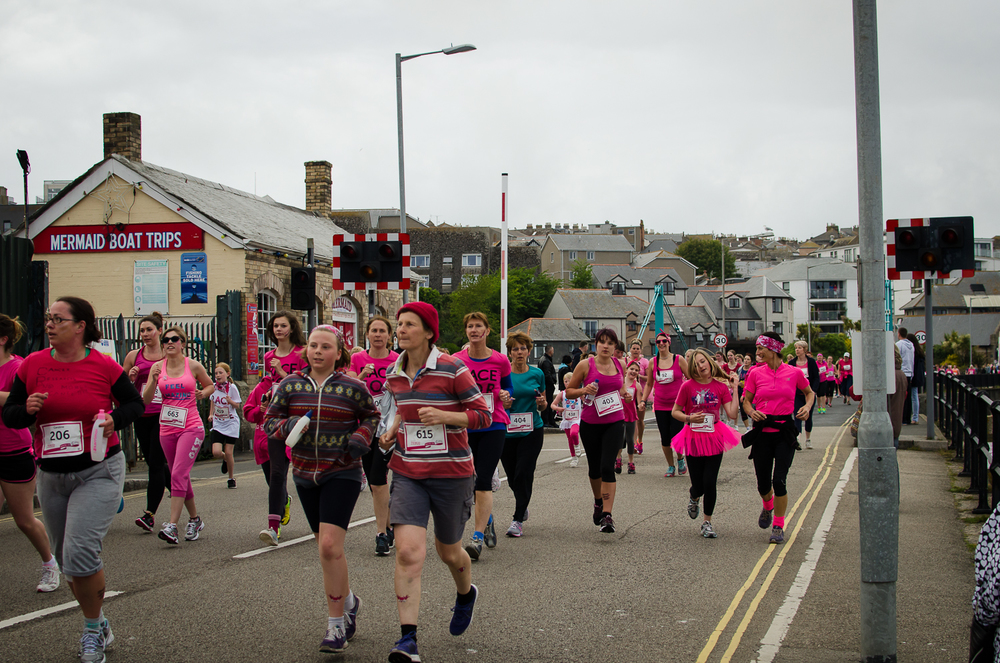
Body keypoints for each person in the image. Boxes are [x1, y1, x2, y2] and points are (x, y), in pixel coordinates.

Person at [2, 297, 144, 663]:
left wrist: (115, 419)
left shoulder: (103, 366)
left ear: (80, 326)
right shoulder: (32, 365)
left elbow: (134, 406)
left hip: (99, 468)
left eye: (58, 319)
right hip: (51, 473)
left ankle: (92, 630)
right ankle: (100, 621)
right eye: (48, 318)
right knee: (68, 561)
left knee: (80, 553)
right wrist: (26, 409)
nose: (50, 324)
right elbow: (12, 414)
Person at [378, 302, 491, 662]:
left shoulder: (452, 368)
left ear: (428, 332)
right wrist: (392, 432)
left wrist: (444, 415)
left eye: (410, 324)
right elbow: (402, 409)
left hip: (451, 474)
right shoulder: (394, 373)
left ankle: (464, 593)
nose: (401, 329)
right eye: (399, 324)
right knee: (408, 552)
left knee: (448, 552)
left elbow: (483, 415)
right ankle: (407, 640)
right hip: (409, 472)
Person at [265, 325, 379, 653]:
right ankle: (350, 600)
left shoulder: (353, 387)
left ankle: (335, 625)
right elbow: (269, 420)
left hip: (341, 471)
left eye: (325, 347)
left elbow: (371, 417)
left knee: (329, 546)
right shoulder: (290, 385)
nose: (317, 351)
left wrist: (360, 438)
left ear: (339, 352)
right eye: (313, 345)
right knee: (326, 550)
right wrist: (287, 426)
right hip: (304, 475)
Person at [0, 313, 59, 592]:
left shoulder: (18, 367)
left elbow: (28, 400)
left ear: (3, 340)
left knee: (23, 519)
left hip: (13, 451)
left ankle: (50, 564)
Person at [143, 326, 214, 545]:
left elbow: (210, 385)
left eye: (174, 339)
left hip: (191, 427)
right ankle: (195, 519)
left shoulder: (192, 365)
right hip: (167, 427)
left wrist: (203, 393)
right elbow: (145, 401)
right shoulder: (157, 367)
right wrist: (153, 381)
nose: (169, 343)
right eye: (166, 340)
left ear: (183, 343)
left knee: (178, 473)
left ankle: (172, 525)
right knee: (178, 474)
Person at [742, 332, 814, 545]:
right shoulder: (755, 373)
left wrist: (807, 407)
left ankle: (779, 525)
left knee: (779, 481)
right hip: (762, 432)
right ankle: (767, 506)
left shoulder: (794, 373)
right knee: (763, 484)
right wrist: (751, 411)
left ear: (773, 349)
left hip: (784, 432)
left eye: (760, 348)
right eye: (756, 349)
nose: (757, 353)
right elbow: (746, 400)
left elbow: (809, 393)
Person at [453, 312, 511, 558]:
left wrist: (507, 397)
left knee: (484, 479)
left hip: (494, 423)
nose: (474, 330)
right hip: (465, 425)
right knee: (467, 481)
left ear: (487, 331)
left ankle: (476, 539)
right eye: (470, 326)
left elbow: (507, 387)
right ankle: (486, 520)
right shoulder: (456, 360)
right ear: (466, 331)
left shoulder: (500, 360)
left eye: (479, 326)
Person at [670, 348, 742, 538]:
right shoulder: (687, 387)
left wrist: (734, 389)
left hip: (714, 436)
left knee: (710, 482)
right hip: (693, 437)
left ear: (709, 363)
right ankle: (694, 497)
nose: (701, 366)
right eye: (696, 364)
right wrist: (689, 418)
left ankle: (707, 522)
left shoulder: (720, 387)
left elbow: (732, 414)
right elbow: (675, 411)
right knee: (698, 485)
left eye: (703, 362)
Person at [565, 327, 629, 534]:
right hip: (591, 423)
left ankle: (607, 515)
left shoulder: (620, 364)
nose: (606, 346)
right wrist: (584, 390)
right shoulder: (585, 365)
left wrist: (626, 395)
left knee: (607, 466)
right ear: (596, 344)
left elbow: (620, 389)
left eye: (611, 343)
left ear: (615, 347)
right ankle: (598, 501)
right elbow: (569, 392)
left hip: (615, 422)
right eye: (602, 342)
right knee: (594, 469)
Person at [348, 315, 400, 556]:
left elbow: (408, 389)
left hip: (391, 427)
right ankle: (388, 527)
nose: (378, 335)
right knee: (374, 481)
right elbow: (347, 388)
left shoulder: (398, 359)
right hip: (366, 427)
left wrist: (394, 386)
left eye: (382, 331)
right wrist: (361, 377)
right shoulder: (358, 359)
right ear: (367, 334)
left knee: (380, 478)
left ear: (390, 336)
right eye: (374, 331)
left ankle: (380, 533)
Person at [260, 311, 308, 544]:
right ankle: (273, 526)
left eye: (283, 325)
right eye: (275, 326)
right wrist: (267, 395)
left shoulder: (302, 354)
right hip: (277, 418)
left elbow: (303, 384)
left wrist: (281, 371)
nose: (279, 329)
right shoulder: (269, 355)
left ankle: (322, 521)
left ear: (292, 328)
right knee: (277, 472)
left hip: (300, 420)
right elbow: (270, 384)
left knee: (307, 472)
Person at [122, 311, 172, 533]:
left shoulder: (169, 354)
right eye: (142, 330)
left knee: (154, 462)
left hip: (164, 415)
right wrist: (130, 378)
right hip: (142, 414)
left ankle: (149, 514)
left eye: (149, 329)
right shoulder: (134, 355)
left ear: (160, 330)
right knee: (158, 463)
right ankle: (181, 490)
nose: (145, 334)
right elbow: (121, 386)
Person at [501, 331, 548, 537]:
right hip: (507, 431)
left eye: (523, 348)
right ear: (509, 352)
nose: (519, 352)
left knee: (524, 472)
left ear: (529, 351)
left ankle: (517, 518)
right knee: (512, 477)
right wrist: (503, 404)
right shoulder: (504, 374)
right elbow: (494, 400)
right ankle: (523, 501)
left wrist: (542, 403)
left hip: (532, 430)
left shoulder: (537, 374)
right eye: (515, 349)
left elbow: (544, 402)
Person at [640, 331, 690, 478]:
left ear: (669, 342)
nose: (661, 344)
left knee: (677, 435)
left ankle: (680, 459)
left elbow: (690, 377)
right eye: (658, 342)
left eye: (664, 341)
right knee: (665, 437)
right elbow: (649, 384)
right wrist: (643, 401)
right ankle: (670, 465)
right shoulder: (653, 362)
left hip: (677, 405)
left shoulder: (679, 359)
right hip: (661, 404)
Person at [208, 362, 241, 489]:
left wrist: (230, 401)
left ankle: (231, 478)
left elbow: (237, 405)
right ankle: (225, 459)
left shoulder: (232, 388)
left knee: (229, 451)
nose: (218, 375)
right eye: (216, 373)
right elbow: (213, 401)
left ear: (227, 374)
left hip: (231, 423)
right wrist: (211, 414)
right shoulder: (213, 387)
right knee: (216, 452)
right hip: (218, 423)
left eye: (220, 372)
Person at [788, 341, 820, 450]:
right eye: (796, 348)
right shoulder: (792, 363)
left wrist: (813, 391)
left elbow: (816, 377)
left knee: (808, 416)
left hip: (809, 393)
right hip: (797, 394)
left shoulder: (811, 362)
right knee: (797, 415)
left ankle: (808, 439)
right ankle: (797, 439)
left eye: (799, 348)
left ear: (805, 350)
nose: (797, 350)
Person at [616, 360, 642, 475]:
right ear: (626, 370)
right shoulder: (620, 382)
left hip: (631, 414)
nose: (634, 372)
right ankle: (618, 458)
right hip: (619, 414)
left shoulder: (637, 385)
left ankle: (631, 462)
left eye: (636, 370)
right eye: (632, 369)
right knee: (620, 438)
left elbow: (639, 400)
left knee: (630, 440)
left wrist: (641, 404)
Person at [627, 341, 649, 455]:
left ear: (640, 350)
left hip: (640, 392)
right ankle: (633, 443)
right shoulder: (626, 361)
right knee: (631, 420)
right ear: (630, 349)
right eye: (633, 348)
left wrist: (639, 375)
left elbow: (649, 378)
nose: (635, 350)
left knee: (640, 419)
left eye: (637, 348)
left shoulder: (645, 362)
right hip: (628, 392)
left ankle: (639, 440)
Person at [551, 389, 582, 467]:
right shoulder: (562, 394)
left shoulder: (579, 392)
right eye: (566, 381)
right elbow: (553, 404)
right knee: (570, 439)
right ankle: (574, 457)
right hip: (567, 419)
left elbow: (587, 401)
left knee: (574, 433)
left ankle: (577, 445)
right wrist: (558, 409)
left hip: (576, 419)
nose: (568, 383)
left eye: (570, 381)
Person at [896, 327, 915, 423]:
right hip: (910, 373)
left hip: (902, 373)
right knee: (909, 397)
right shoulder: (911, 345)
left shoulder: (899, 345)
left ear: (899, 334)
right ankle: (907, 418)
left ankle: (902, 418)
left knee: (901, 397)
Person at [538, 345, 557, 427]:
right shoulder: (546, 361)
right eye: (552, 351)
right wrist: (552, 382)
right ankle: (547, 421)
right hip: (547, 385)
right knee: (548, 402)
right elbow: (547, 374)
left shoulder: (542, 359)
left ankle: (548, 420)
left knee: (546, 402)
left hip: (544, 385)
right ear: (550, 351)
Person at [908, 332, 925, 425]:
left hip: (913, 375)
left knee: (913, 396)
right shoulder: (920, 352)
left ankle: (914, 417)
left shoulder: (913, 351)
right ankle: (916, 416)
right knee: (915, 396)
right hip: (919, 376)